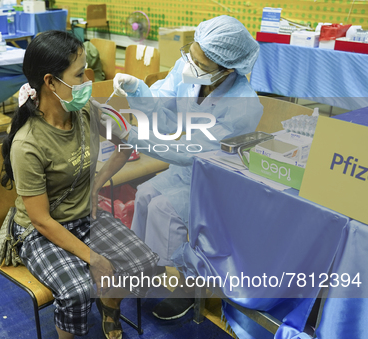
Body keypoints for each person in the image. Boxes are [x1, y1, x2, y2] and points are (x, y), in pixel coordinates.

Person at [0, 31, 158, 339]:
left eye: (87, 71)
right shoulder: (28, 144)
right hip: (41, 231)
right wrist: (94, 258)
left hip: (84, 217)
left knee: (143, 262)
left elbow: (123, 142)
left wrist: (98, 182)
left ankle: (110, 306)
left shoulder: (85, 109)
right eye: (79, 75)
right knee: (76, 289)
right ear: (49, 82)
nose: (88, 81)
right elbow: (40, 219)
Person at [108, 15, 264, 320]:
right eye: (190, 55)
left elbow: (191, 151)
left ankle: (183, 288)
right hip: (188, 169)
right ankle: (143, 266)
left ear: (227, 68)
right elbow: (164, 104)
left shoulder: (245, 104)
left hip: (220, 177)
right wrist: (138, 88)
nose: (190, 65)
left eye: (201, 64)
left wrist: (132, 137)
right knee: (144, 194)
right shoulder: (189, 68)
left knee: (165, 209)